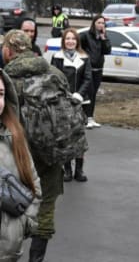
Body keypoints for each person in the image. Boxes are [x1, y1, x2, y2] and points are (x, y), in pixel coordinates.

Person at [2, 30, 70, 261]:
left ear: (9, 50)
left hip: (16, 153)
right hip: (52, 152)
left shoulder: (7, 78)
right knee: (46, 208)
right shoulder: (55, 73)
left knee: (10, 207)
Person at [0, 69, 42, 261]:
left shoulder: (14, 136)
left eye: (0, 94)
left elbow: (33, 184)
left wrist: (25, 223)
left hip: (8, 252)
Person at [51, 28, 92, 182]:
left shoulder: (85, 58)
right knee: (65, 137)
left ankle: (79, 170)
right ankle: (67, 170)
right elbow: (53, 79)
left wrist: (79, 94)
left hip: (81, 102)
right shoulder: (57, 58)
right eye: (67, 38)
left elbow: (88, 79)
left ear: (77, 41)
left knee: (79, 136)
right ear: (63, 41)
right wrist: (65, 96)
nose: (70, 41)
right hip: (63, 102)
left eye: (73, 39)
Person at [80, 15, 111, 129]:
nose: (101, 25)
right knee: (89, 93)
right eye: (99, 22)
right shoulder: (86, 36)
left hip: (98, 69)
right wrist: (84, 58)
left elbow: (107, 50)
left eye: (103, 23)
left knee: (93, 94)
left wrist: (104, 38)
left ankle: (90, 117)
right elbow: (77, 46)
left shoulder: (102, 37)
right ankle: (86, 118)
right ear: (94, 24)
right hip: (88, 69)